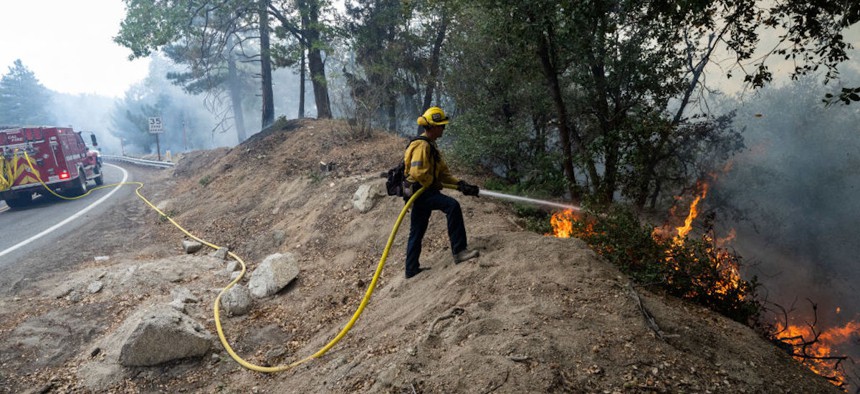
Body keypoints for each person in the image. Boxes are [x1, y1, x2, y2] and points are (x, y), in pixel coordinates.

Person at [403, 106, 480, 279]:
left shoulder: (431, 146)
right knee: (452, 206)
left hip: (423, 192)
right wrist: (433, 183)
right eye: (442, 126)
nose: (444, 129)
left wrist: (461, 184)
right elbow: (417, 173)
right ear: (433, 127)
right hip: (421, 192)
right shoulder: (421, 145)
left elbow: (443, 174)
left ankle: (411, 268)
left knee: (417, 229)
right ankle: (460, 252)